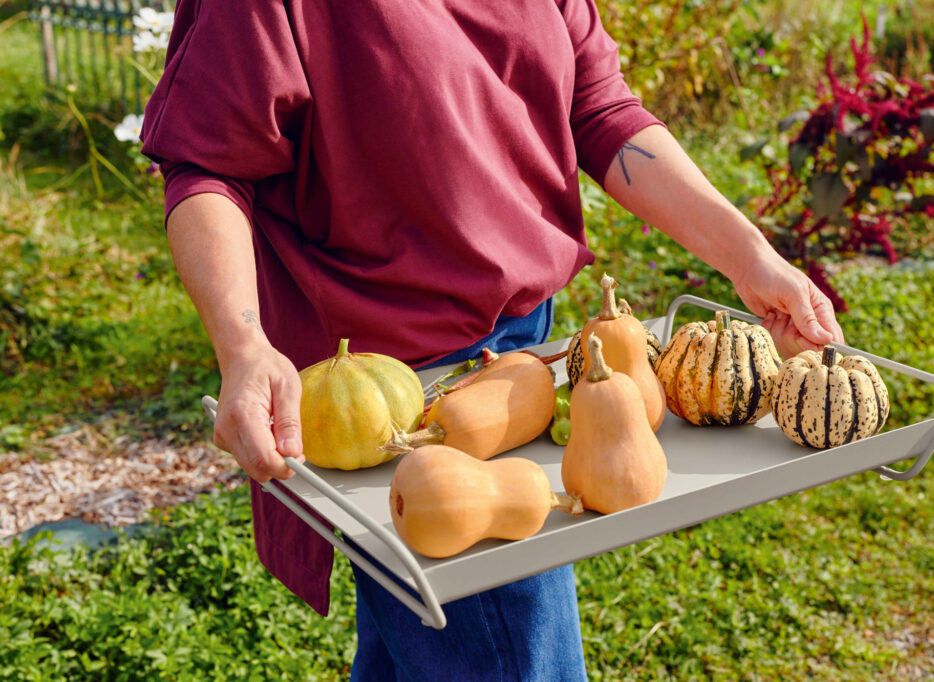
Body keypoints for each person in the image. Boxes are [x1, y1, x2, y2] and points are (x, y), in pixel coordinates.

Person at [141, 1, 843, 679]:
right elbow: (210, 165)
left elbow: (597, 108)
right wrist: (243, 346)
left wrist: (750, 258)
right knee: (509, 655)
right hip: (382, 388)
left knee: (428, 641)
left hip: (524, 351)